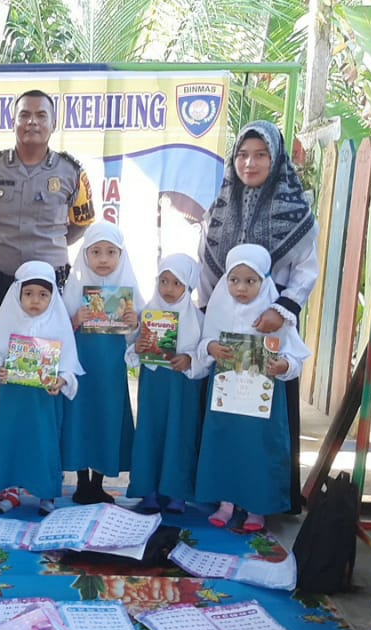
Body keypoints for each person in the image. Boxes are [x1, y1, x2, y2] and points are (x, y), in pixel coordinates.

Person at [199, 121, 317, 513]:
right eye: (242, 155)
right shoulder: (218, 208)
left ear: (276, 158)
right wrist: (208, 318)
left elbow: (305, 269)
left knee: (268, 422)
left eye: (261, 154)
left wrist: (281, 310)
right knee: (227, 417)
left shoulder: (298, 213)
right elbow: (207, 265)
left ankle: (266, 499)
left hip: (271, 326)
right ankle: (225, 496)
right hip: (228, 327)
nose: (249, 163)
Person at [0, 88, 94, 448]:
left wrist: (44, 250)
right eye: (25, 115)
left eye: (40, 115)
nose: (32, 122)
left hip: (49, 285)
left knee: (48, 366)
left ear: (54, 124)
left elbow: (80, 224)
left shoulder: (72, 172)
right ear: (14, 120)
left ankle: (45, 445)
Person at [195, 245, 310, 531]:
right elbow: (202, 343)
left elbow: (295, 357)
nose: (241, 288)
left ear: (264, 281)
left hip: (262, 400)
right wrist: (212, 347)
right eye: (234, 280)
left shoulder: (276, 317)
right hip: (225, 396)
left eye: (250, 281)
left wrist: (282, 366)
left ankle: (256, 507)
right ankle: (226, 503)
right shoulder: (219, 306)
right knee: (225, 445)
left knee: (257, 449)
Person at [0, 260, 82, 515]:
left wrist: (62, 380)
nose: (35, 300)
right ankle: (11, 491)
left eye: (43, 295)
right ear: (18, 294)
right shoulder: (9, 319)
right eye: (29, 293)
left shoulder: (58, 325)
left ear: (52, 296)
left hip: (43, 401)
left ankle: (46, 493)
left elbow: (70, 364)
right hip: (13, 399)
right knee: (11, 441)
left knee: (43, 443)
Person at [61, 223, 138, 505]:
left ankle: (98, 483)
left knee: (107, 417)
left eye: (110, 252)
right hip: (82, 368)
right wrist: (75, 320)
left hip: (110, 371)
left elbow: (142, 337)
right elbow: (58, 331)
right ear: (85, 255)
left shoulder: (128, 288)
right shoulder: (75, 288)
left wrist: (135, 322)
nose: (103, 259)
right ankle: (81, 482)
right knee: (81, 418)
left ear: (121, 255)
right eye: (95, 252)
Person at [129, 254, 208, 514]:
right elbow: (132, 350)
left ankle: (176, 493)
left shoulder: (198, 319)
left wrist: (189, 360)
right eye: (164, 281)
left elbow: (205, 356)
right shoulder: (148, 313)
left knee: (180, 435)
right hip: (154, 386)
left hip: (182, 388)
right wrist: (139, 347)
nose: (169, 289)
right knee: (150, 433)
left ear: (188, 286)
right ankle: (148, 490)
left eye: (177, 283)